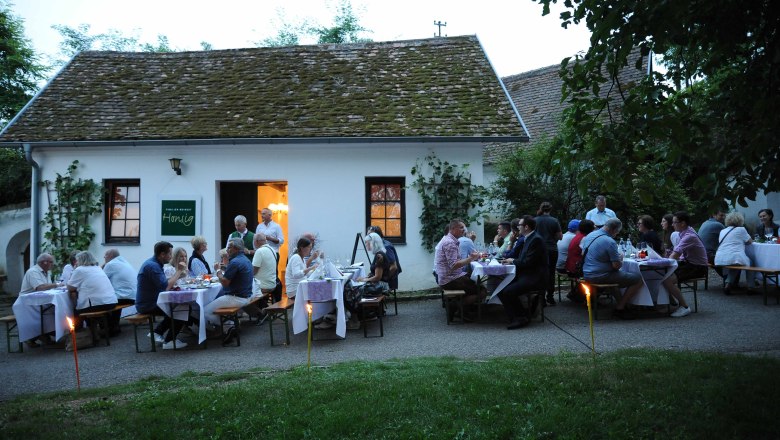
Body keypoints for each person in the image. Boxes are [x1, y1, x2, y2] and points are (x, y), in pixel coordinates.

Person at [580, 218, 644, 319]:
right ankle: (620, 308)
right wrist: (621, 259)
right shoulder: (610, 242)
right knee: (638, 279)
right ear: (614, 230)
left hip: (587, 273)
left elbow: (583, 253)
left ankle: (623, 305)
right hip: (600, 275)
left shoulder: (590, 235)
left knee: (614, 281)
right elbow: (616, 266)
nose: (617, 234)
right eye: (617, 232)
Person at [136, 241, 190, 349]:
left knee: (180, 306)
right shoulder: (153, 266)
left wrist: (177, 276)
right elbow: (165, 287)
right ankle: (170, 341)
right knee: (183, 307)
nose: (171, 256)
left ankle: (157, 332)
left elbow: (163, 283)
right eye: (170, 254)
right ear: (162, 254)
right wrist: (179, 271)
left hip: (151, 301)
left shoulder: (154, 264)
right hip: (148, 304)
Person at [498, 216, 548, 329]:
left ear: (526, 227)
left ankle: (520, 318)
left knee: (507, 292)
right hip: (527, 274)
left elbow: (528, 262)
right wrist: (512, 260)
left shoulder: (536, 239)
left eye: (519, 225)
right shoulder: (529, 238)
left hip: (535, 277)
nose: (517, 227)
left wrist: (512, 261)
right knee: (501, 290)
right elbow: (524, 259)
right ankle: (520, 315)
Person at [434, 219, 486, 319]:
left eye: (464, 227)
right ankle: (455, 306)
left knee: (475, 284)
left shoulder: (449, 240)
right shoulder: (449, 243)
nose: (464, 230)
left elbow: (454, 263)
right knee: (482, 290)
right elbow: (454, 265)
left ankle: (463, 311)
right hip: (450, 280)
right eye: (461, 227)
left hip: (449, 277)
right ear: (453, 229)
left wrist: (469, 258)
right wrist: (471, 258)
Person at [662, 211, 709, 318]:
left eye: (674, 222)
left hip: (697, 267)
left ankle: (684, 306)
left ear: (682, 223)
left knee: (666, 279)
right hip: (690, 263)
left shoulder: (689, 236)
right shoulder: (685, 232)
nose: (672, 225)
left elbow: (674, 256)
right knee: (662, 275)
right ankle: (670, 303)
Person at [208, 238, 254, 345]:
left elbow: (225, 282)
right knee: (215, 300)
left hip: (236, 298)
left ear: (236, 249)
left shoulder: (235, 262)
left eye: (229, 247)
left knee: (205, 311)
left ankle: (229, 325)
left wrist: (218, 270)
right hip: (247, 296)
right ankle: (228, 326)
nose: (227, 250)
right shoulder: (246, 259)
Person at [67, 251, 118, 330]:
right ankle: (92, 331)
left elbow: (70, 288)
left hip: (98, 304)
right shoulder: (97, 268)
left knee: (76, 310)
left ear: (80, 260)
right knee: (83, 306)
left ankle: (79, 333)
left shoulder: (80, 270)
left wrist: (74, 270)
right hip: (111, 302)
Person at [19, 253, 60, 347]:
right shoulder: (33, 272)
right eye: (51, 262)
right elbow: (40, 287)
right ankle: (36, 335)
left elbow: (46, 287)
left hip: (39, 300)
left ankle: (46, 333)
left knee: (54, 308)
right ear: (44, 262)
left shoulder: (46, 271)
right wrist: (57, 285)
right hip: (28, 302)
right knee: (47, 311)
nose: (53, 264)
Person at [714, 212, 754, 295]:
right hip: (734, 256)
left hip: (719, 257)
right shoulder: (741, 229)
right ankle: (751, 287)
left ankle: (728, 284)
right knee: (750, 262)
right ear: (740, 220)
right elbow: (750, 242)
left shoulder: (723, 230)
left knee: (736, 265)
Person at [102, 248, 137, 335]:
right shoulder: (124, 262)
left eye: (105, 256)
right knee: (114, 297)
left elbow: (100, 279)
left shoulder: (111, 264)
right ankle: (114, 325)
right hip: (133, 296)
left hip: (123, 297)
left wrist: (104, 265)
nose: (104, 257)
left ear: (110, 256)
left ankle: (109, 328)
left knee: (100, 303)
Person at [534, 202, 563, 306]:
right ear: (551, 209)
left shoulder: (535, 220)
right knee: (551, 273)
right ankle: (550, 297)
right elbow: (560, 236)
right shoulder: (554, 221)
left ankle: (540, 298)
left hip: (538, 250)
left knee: (540, 272)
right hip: (551, 249)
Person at [564, 219, 596, 302]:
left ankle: (576, 293)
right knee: (598, 274)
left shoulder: (578, 236)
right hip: (576, 269)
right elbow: (585, 254)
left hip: (570, 266)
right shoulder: (584, 238)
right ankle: (588, 299)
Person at [252, 233, 278, 299]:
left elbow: (254, 271)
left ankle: (258, 308)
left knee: (243, 293)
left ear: (257, 241)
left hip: (262, 286)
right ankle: (262, 306)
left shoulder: (259, 251)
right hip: (272, 284)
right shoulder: (272, 250)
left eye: (254, 240)